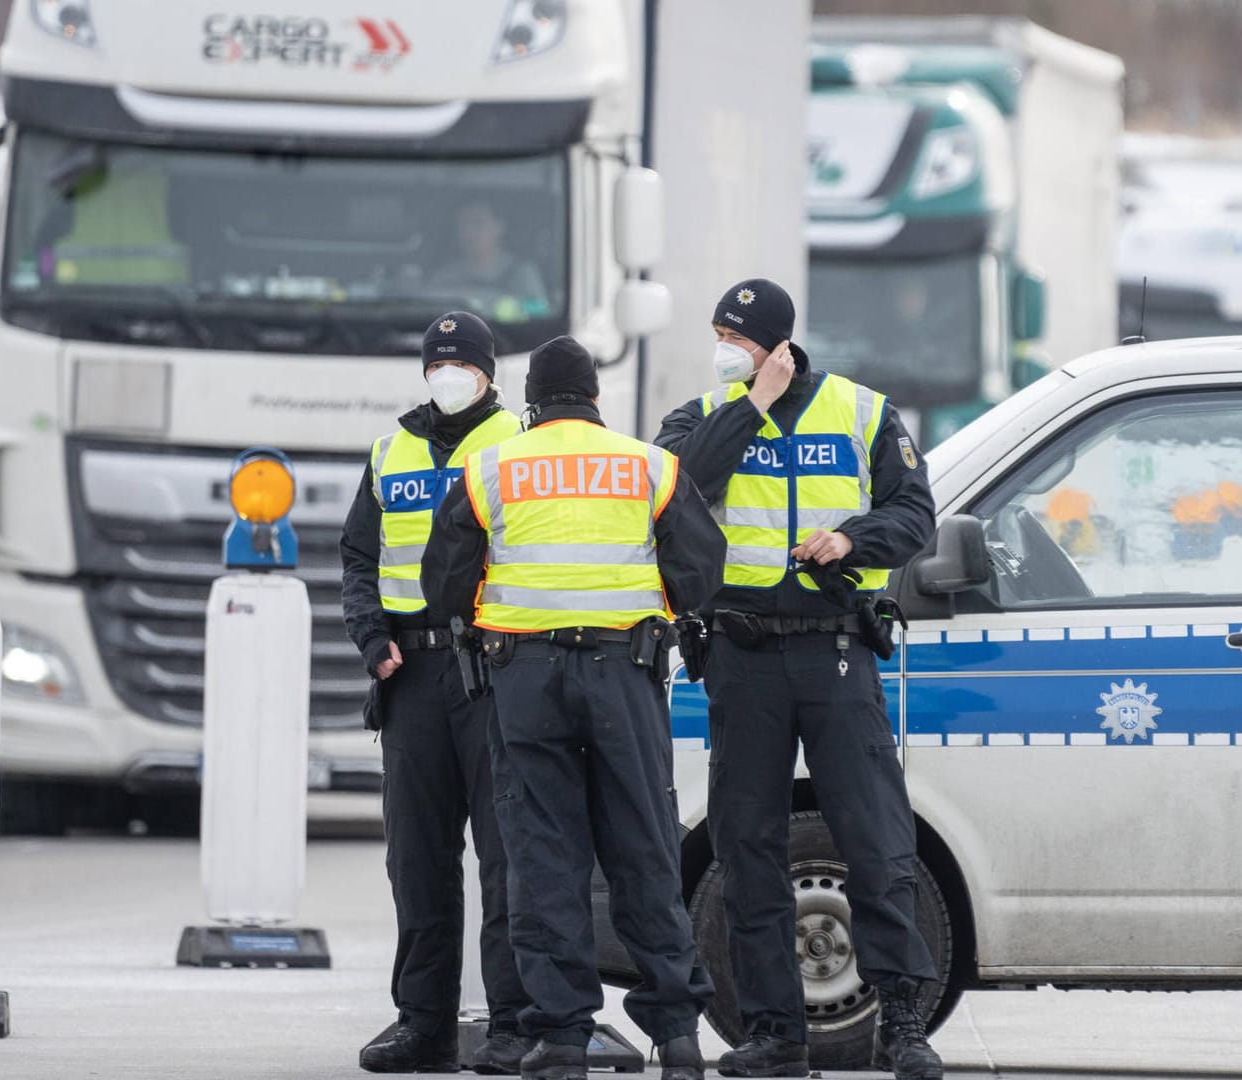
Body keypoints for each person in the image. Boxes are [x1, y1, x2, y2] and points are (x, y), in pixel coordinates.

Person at [654, 279, 944, 1080]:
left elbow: (915, 516)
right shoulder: (703, 416)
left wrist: (852, 540)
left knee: (876, 839)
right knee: (747, 847)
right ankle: (775, 1034)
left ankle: (904, 1025)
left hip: (835, 648)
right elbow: (674, 495)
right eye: (716, 332)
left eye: (735, 335)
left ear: (776, 341)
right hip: (742, 656)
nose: (722, 347)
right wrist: (753, 404)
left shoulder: (861, 412)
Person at [421, 335, 723, 1080]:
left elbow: (444, 583)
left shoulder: (490, 468)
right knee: (645, 849)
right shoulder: (646, 465)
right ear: (595, 398)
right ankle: (677, 1038)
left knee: (543, 856)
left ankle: (561, 1038)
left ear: (531, 402)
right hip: (625, 673)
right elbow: (701, 568)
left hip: (524, 680)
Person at [339, 310, 533, 1074]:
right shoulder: (391, 451)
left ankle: (514, 1021)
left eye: (462, 365)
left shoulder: (518, 444)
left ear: (489, 374)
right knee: (417, 858)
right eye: (436, 365)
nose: (447, 376)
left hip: (493, 668)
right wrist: (371, 637)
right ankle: (424, 1023)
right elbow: (358, 555)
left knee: (508, 855)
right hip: (411, 673)